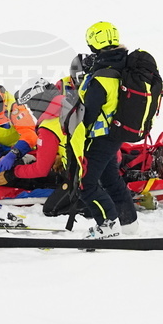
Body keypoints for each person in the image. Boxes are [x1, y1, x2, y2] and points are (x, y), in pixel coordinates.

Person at [68, 22, 140, 237]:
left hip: (100, 137)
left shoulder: (101, 76)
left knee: (86, 184)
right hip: (115, 134)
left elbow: (89, 113)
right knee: (110, 179)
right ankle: (128, 223)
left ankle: (108, 225)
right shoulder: (121, 66)